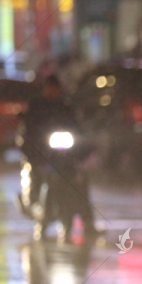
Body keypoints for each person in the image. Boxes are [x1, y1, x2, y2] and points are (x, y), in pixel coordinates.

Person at [20, 75, 96, 238]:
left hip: (64, 156)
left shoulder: (65, 106)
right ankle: (40, 216)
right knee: (36, 176)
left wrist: (86, 146)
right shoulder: (36, 106)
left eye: (55, 88)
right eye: (49, 87)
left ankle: (89, 223)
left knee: (81, 182)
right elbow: (29, 130)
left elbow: (76, 127)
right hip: (42, 154)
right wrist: (33, 149)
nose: (52, 91)